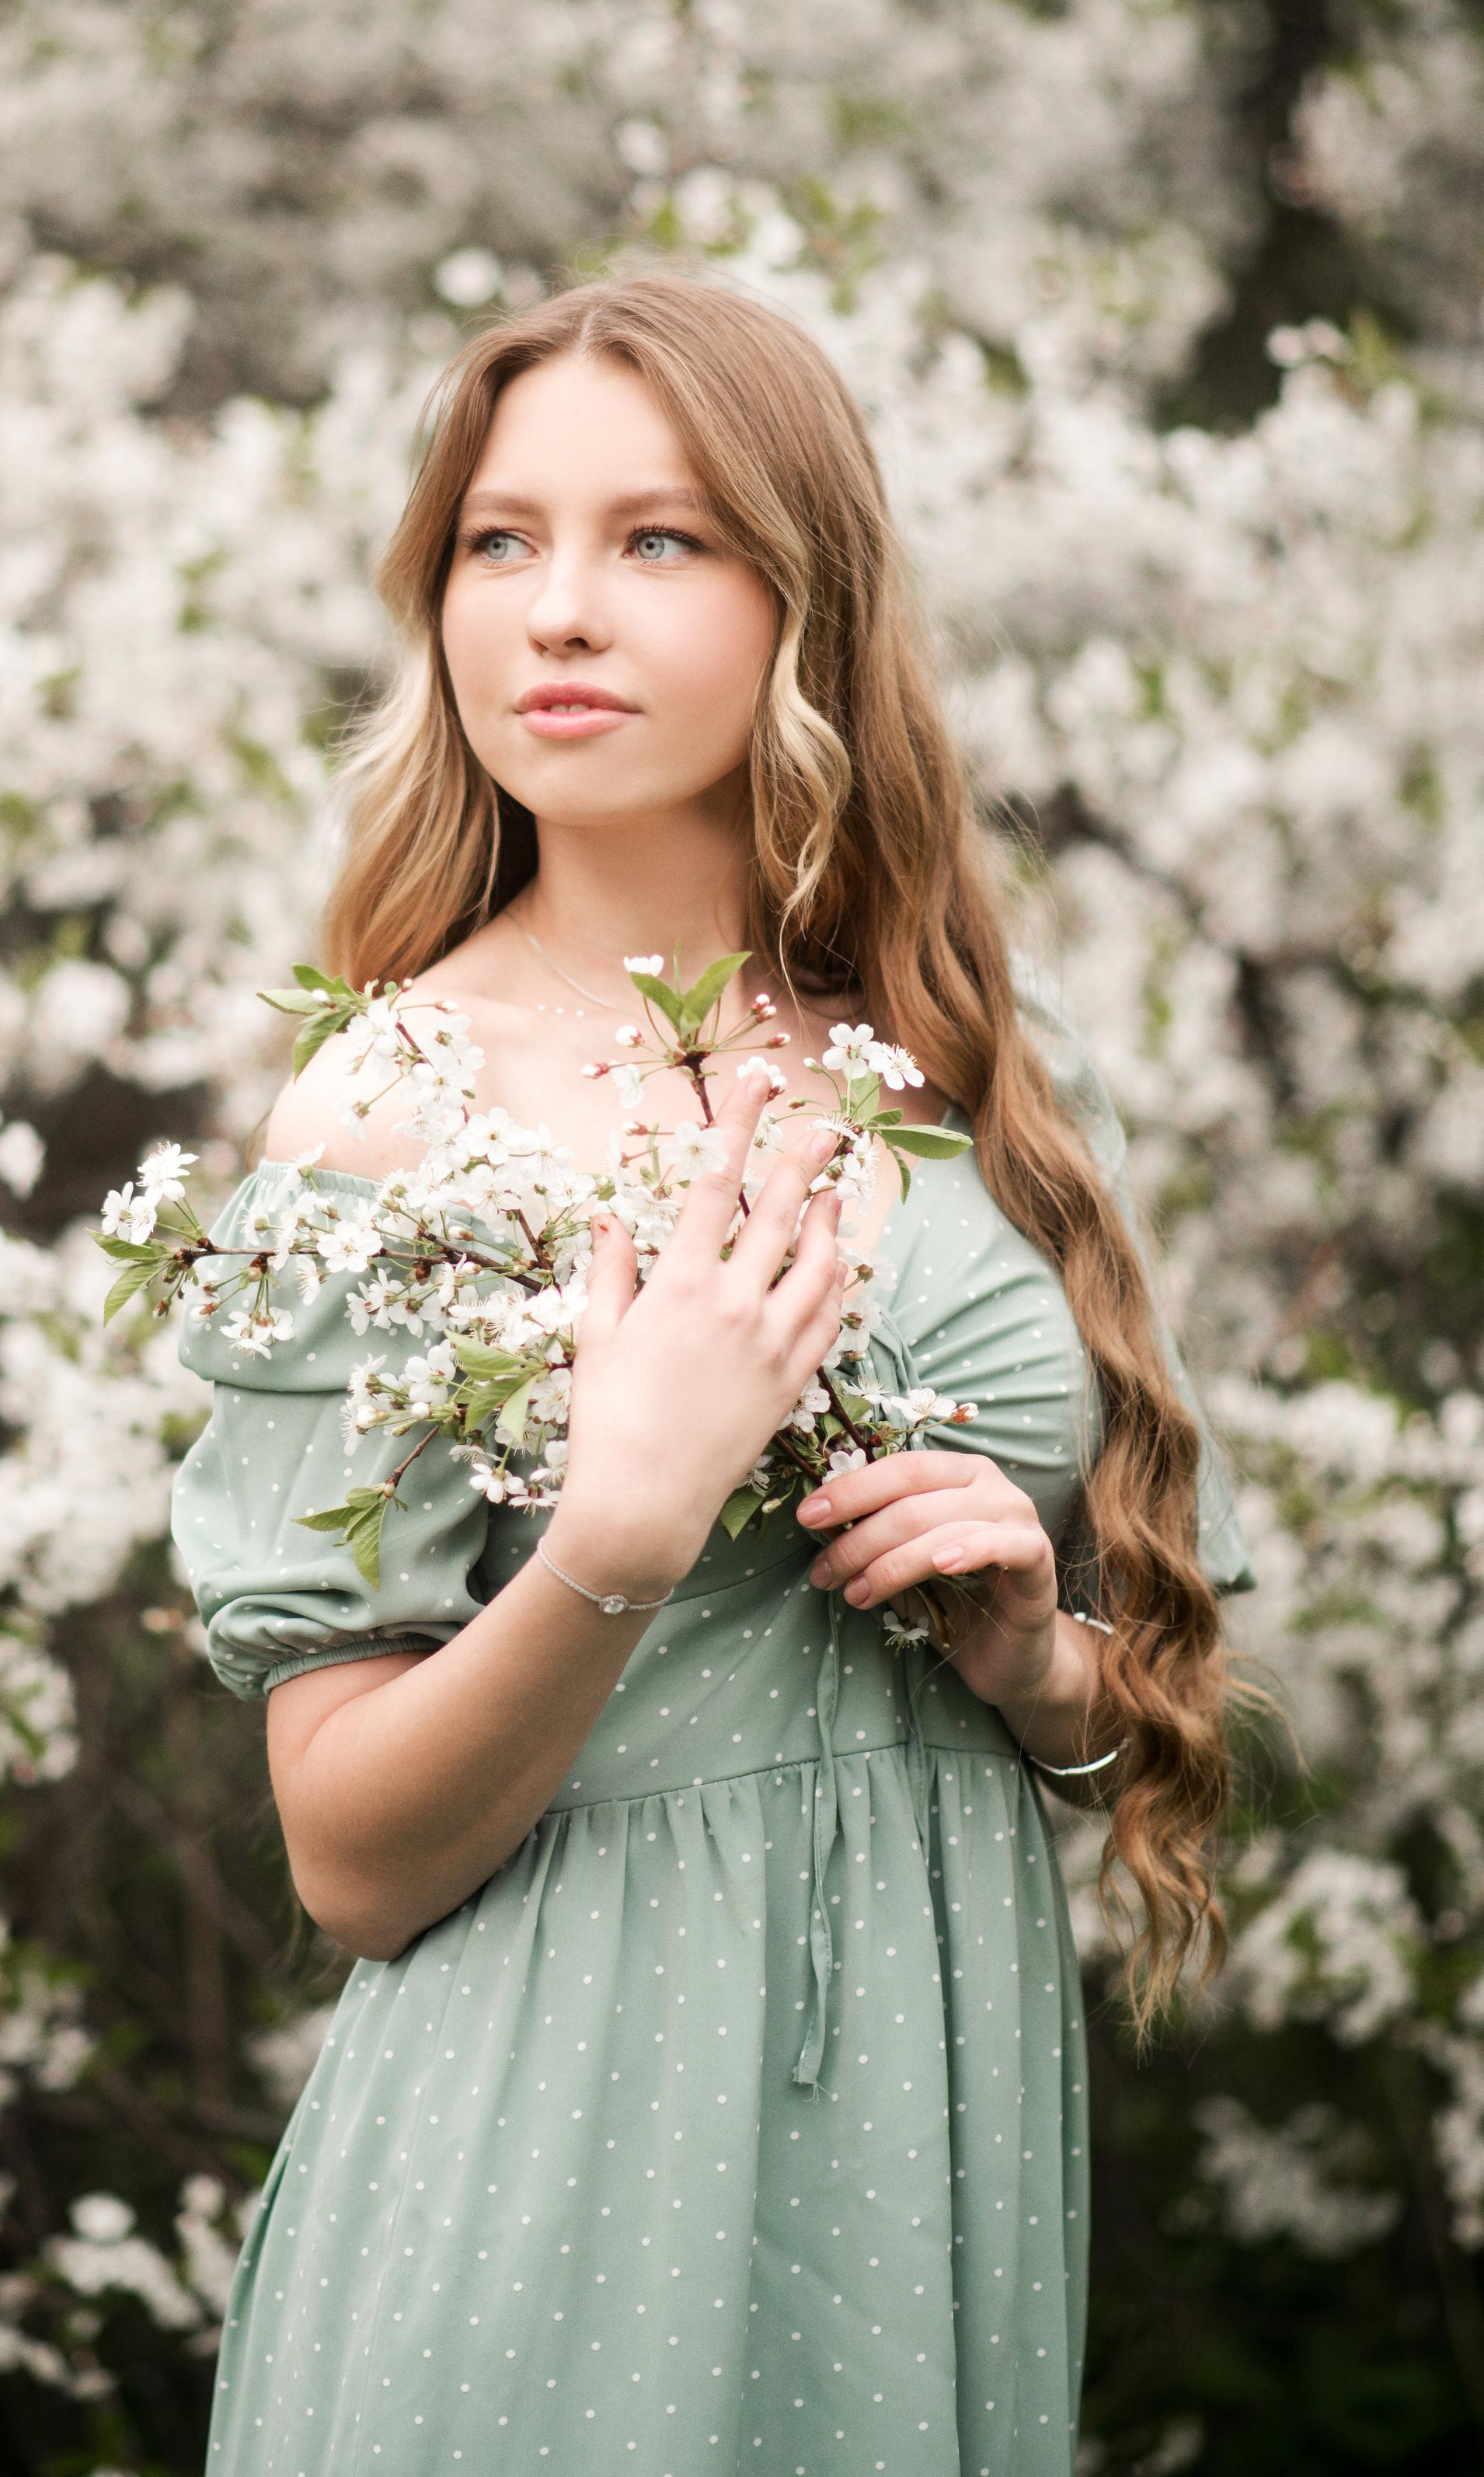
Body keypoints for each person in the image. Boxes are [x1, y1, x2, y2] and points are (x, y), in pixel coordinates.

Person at [166, 269, 1253, 2475]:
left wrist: (1037, 1660)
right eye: (502, 541)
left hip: (920, 2152)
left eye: (657, 540)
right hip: (548, 2165)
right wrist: (623, 1533)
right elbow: (351, 1863)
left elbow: (1150, 1699)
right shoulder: (388, 1116)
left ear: (806, 601)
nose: (559, 609)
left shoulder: (960, 1067)